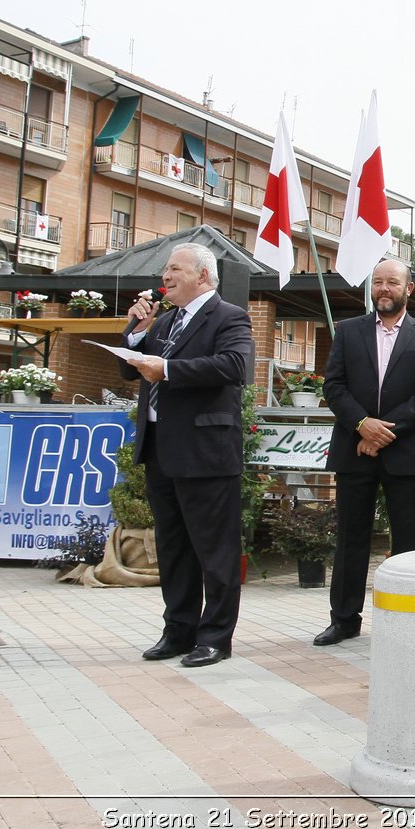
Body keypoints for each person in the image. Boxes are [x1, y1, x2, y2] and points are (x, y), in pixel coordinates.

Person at [122, 243, 255, 668]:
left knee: (213, 550)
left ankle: (215, 637)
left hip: (205, 451)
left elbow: (234, 366)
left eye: (175, 268)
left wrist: (170, 370)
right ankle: (177, 631)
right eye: (165, 269)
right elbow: (131, 368)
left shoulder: (228, 316)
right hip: (161, 447)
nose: (166, 275)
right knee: (173, 546)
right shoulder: (166, 322)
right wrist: (137, 332)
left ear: (202, 275)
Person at [314, 258, 415, 646]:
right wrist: (361, 424)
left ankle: (406, 619)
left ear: (409, 290)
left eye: (392, 283)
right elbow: (334, 386)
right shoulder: (348, 331)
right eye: (378, 283)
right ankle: (344, 619)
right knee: (351, 539)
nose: (383, 289)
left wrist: (383, 431)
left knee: (408, 540)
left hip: (405, 452)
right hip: (354, 449)